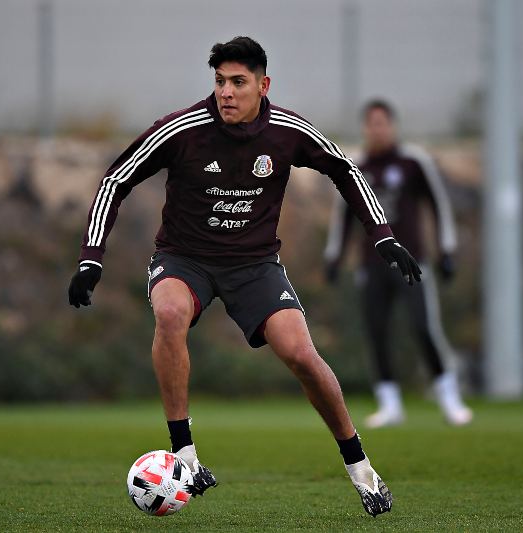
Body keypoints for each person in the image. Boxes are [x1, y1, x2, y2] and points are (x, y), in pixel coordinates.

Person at [67, 37, 421, 517]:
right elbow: (116, 180)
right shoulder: (182, 129)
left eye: (238, 82)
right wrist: (92, 257)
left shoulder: (286, 131)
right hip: (183, 258)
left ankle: (360, 466)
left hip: (254, 267)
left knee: (300, 354)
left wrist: (383, 236)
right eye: (219, 82)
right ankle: (185, 456)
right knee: (169, 313)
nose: (226, 93)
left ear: (263, 85)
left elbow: (346, 170)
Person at [324, 99, 473, 428]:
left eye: (383, 123)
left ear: (392, 126)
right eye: (371, 124)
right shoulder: (355, 167)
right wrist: (334, 257)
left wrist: (446, 250)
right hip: (371, 265)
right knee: (377, 332)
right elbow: (344, 217)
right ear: (365, 129)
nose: (377, 129)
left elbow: (438, 205)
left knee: (422, 327)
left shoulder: (413, 163)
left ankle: (449, 398)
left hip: (413, 262)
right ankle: (389, 403)